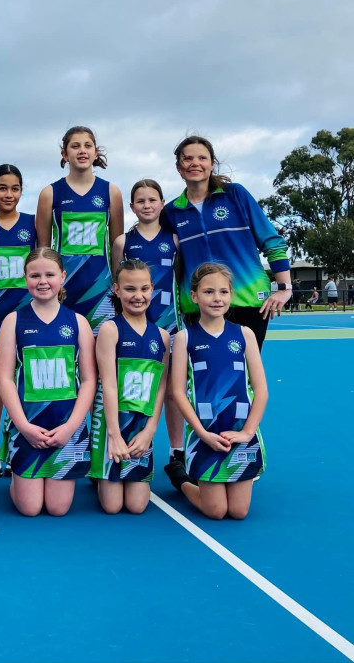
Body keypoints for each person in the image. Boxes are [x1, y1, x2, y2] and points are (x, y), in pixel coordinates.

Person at [163, 136, 291, 352]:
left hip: (248, 301)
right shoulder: (171, 211)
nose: (195, 163)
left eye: (202, 158)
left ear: (212, 164)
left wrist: (284, 288)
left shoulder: (235, 194)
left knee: (245, 374)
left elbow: (272, 241)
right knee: (205, 375)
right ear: (179, 167)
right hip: (197, 306)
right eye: (188, 159)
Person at [0, 248, 96, 516]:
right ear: (25, 278)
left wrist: (70, 428)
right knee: (30, 508)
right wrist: (23, 426)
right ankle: (17, 478)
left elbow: (88, 381)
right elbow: (4, 378)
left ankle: (33, 474)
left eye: (49, 274)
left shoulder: (78, 323)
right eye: (35, 275)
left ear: (62, 276)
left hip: (64, 428)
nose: (42, 281)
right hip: (28, 425)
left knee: (57, 508)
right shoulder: (13, 321)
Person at [164, 263, 267, 520]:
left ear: (231, 295)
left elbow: (261, 390)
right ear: (194, 296)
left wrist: (247, 432)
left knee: (239, 511)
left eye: (223, 292)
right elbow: (178, 392)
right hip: (206, 434)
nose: (217, 298)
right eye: (209, 292)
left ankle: (228, 475)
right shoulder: (185, 338)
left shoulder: (245, 334)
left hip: (239, 431)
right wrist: (202, 434)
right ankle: (182, 479)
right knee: (216, 511)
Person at [111, 179, 183, 469]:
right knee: (127, 385)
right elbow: (117, 282)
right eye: (140, 201)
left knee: (172, 388)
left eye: (153, 200)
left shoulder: (174, 240)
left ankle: (176, 449)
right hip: (132, 325)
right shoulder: (122, 242)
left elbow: (179, 278)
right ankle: (117, 442)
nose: (147, 205)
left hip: (169, 323)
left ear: (162, 204)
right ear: (132, 207)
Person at [90, 260, 170, 514]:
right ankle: (100, 474)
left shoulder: (163, 336)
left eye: (144, 289)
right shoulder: (111, 330)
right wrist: (113, 435)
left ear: (153, 289)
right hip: (111, 424)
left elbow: (160, 387)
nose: (138, 296)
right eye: (130, 289)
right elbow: (109, 386)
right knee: (112, 507)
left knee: (136, 506)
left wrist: (149, 431)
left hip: (140, 425)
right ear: (116, 289)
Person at [36, 126, 124, 335]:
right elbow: (43, 249)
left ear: (95, 152)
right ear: (65, 155)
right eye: (75, 146)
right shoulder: (50, 193)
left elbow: (117, 247)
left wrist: (116, 287)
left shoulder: (111, 191)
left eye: (88, 146)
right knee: (64, 348)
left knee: (99, 354)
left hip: (101, 290)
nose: (82, 151)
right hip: (63, 288)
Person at [0, 164, 36, 478]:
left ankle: (21, 445)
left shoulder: (32, 225)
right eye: (2, 188)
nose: (9, 194)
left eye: (15, 188)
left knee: (25, 382)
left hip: (28, 315)